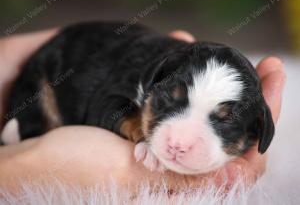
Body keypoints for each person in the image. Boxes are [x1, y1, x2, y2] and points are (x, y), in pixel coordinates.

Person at [0, 29, 286, 193]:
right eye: (169, 102)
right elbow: (106, 106)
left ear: (258, 130)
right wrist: (139, 131)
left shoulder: (168, 73)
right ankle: (20, 133)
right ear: (153, 82)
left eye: (224, 123)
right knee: (30, 117)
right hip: (50, 71)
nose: (179, 143)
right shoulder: (148, 75)